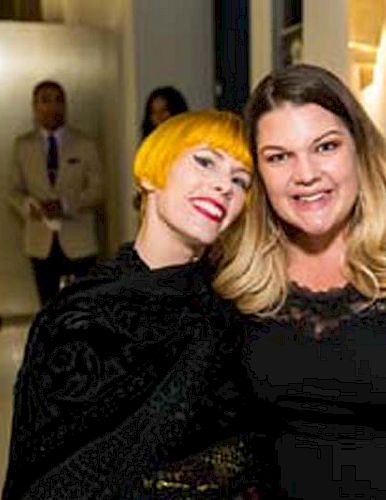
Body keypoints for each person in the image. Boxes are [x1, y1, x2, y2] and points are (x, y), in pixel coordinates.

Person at [213, 64, 386, 498]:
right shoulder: (238, 271)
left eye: (325, 146)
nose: (305, 174)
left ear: (360, 147)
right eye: (278, 156)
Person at [2, 110, 265, 499]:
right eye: (205, 161)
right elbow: (44, 468)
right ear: (150, 174)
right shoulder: (79, 314)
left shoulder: (231, 309)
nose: (223, 186)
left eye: (239, 180)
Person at [8, 80, 104, 307]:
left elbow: (98, 189)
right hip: (39, 241)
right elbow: (12, 190)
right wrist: (28, 205)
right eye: (45, 100)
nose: (53, 107)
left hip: (79, 239)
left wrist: (66, 205)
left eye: (59, 100)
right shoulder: (23, 146)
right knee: (49, 307)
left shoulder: (85, 143)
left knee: (82, 305)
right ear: (35, 106)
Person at [133, 86, 189, 212]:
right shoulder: (148, 149)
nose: (159, 117)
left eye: (164, 111)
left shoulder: (191, 145)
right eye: (153, 113)